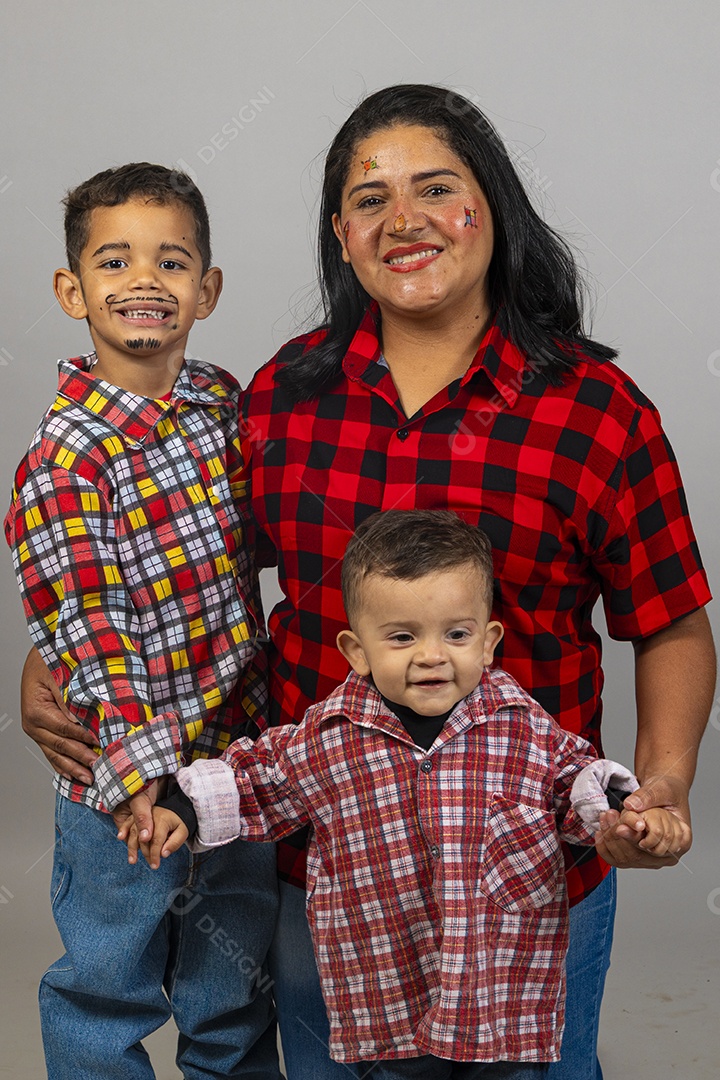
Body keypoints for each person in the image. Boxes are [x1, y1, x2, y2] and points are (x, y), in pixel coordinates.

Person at [19, 85, 716, 1079]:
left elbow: (670, 620)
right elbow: (184, 562)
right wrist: (52, 654)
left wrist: (663, 785)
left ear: (494, 208)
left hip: (526, 878)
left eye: (436, 188)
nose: (404, 220)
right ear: (341, 237)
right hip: (327, 877)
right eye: (369, 199)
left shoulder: (597, 412)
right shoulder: (281, 399)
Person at [123, 510, 679, 1079]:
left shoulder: (522, 726)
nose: (432, 655)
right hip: (386, 990)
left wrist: (626, 813)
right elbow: (258, 778)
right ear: (357, 651)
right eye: (402, 637)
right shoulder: (330, 735)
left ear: (488, 642)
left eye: (456, 634)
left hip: (498, 990)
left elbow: (576, 783)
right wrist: (184, 808)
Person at [4, 164, 282, 1080]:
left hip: (231, 767)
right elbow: (90, 631)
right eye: (114, 261)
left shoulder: (219, 405)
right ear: (71, 290)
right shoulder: (66, 459)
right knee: (107, 989)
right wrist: (138, 779)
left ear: (207, 289)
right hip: (121, 786)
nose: (144, 281)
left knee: (233, 987)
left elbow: (256, 550)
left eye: (172, 261)